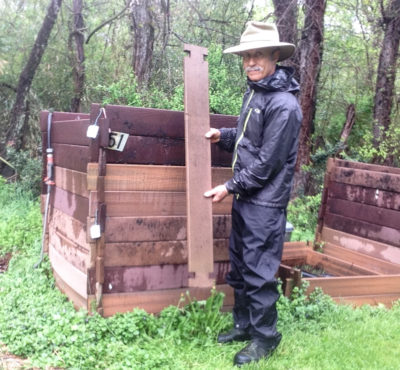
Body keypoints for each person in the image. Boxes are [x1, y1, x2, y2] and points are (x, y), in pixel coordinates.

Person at [204, 21, 302, 366]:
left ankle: (266, 338)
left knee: (260, 273)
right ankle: (244, 326)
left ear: (275, 55)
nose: (250, 62)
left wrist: (228, 187)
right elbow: (250, 138)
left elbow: (267, 163)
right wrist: (224, 136)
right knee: (241, 266)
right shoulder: (256, 92)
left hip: (265, 203)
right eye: (246, 56)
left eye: (257, 55)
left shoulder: (284, 106)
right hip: (247, 200)